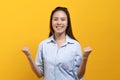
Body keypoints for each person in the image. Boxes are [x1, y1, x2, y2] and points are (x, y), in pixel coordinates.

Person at [22, 6, 92, 80]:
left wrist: (85, 57)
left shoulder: (75, 45)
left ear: (67, 23)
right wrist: (28, 55)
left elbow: (79, 76)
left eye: (63, 19)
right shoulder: (43, 45)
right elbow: (39, 74)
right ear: (51, 22)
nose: (59, 22)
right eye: (55, 19)